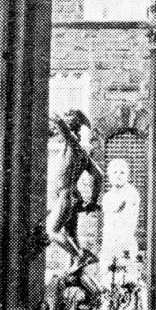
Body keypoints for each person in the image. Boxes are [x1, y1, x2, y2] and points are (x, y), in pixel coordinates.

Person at [47, 109, 104, 269]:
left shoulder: (72, 143)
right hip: (73, 197)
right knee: (71, 235)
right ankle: (76, 273)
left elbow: (59, 121)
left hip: (66, 196)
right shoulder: (82, 153)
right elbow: (99, 176)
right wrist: (92, 201)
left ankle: (80, 256)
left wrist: (49, 113)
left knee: (52, 231)